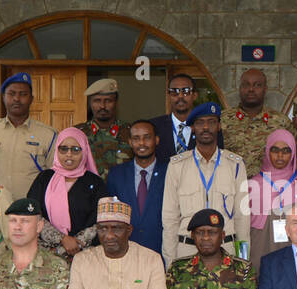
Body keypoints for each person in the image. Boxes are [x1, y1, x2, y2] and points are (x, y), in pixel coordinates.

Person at [161, 102, 249, 263]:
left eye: (211, 122)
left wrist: (243, 262)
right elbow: (169, 220)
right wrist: (170, 264)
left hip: (226, 250)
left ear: (219, 126)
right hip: (187, 251)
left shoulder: (235, 165)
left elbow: (242, 219)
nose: (206, 127)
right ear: (193, 128)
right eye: (200, 122)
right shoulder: (176, 166)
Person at [27, 127, 107, 259]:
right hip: (47, 255)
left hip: (84, 255)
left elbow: (102, 218)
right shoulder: (44, 178)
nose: (69, 154)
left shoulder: (95, 182)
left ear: (85, 151)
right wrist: (62, 239)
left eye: (76, 149)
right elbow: (32, 212)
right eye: (63, 149)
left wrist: (77, 242)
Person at [0, 72, 57, 199]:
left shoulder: (48, 135)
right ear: (3, 97)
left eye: (23, 94)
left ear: (31, 99)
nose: (16, 99)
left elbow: (54, 176)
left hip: (30, 208)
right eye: (11, 94)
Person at [246, 129, 297, 278]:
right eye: (275, 150)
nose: (280, 156)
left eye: (286, 151)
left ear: (293, 153)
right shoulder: (253, 183)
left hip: (294, 242)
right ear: (267, 152)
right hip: (261, 243)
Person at [105, 120, 168, 254]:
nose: (141, 143)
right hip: (125, 251)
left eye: (147, 137)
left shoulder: (170, 172)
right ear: (130, 142)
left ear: (156, 140)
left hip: (160, 249)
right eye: (136, 138)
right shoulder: (116, 174)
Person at [223, 68, 294, 176]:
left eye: (257, 85)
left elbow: (291, 158)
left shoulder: (281, 122)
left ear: (265, 89)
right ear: (240, 88)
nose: (251, 89)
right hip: (231, 188)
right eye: (246, 85)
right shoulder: (222, 119)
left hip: (268, 188)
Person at [80, 78, 132, 177]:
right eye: (97, 101)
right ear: (90, 103)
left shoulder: (131, 132)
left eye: (108, 101)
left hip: (121, 192)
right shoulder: (79, 133)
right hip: (90, 192)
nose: (102, 106)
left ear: (116, 102)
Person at [150, 73, 204, 161]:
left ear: (195, 95)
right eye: (174, 91)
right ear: (168, 96)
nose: (180, 96)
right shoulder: (153, 127)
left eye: (186, 91)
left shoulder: (207, 127)